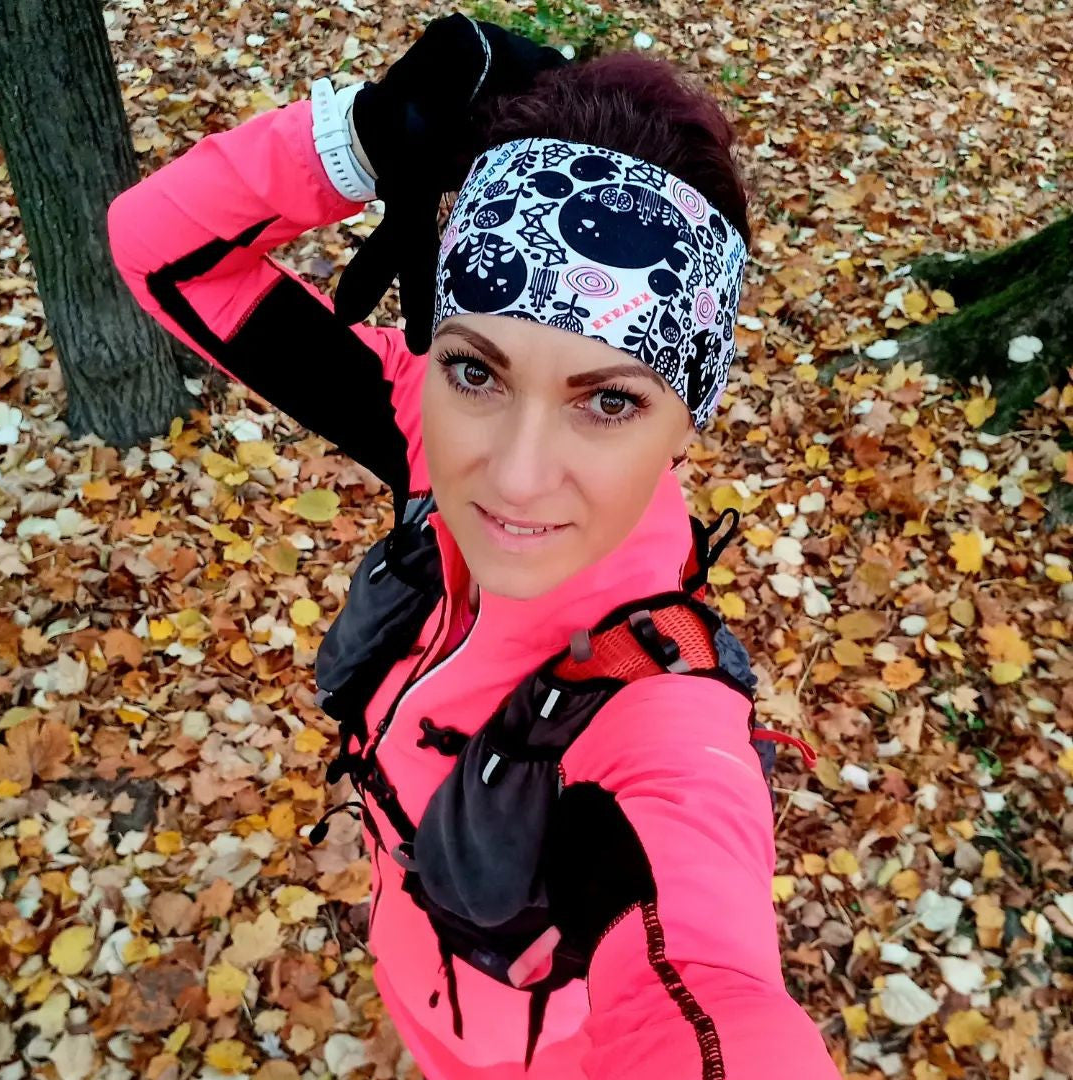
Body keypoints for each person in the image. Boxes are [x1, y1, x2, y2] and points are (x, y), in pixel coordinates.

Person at [107, 14, 840, 1079]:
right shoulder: (415, 424)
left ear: (690, 422)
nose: (516, 475)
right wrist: (356, 140)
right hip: (413, 985)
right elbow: (159, 247)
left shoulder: (660, 719)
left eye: (611, 402)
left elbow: (715, 993)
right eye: (479, 372)